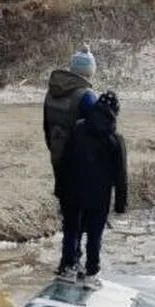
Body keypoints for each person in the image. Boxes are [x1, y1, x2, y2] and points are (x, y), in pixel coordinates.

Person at [56, 91, 128, 289]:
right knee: (95, 236)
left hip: (73, 191)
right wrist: (120, 205)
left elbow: (64, 162)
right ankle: (91, 273)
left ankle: (69, 268)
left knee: (72, 230)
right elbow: (120, 175)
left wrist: (60, 189)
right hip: (99, 196)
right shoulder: (115, 139)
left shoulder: (78, 129)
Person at [44, 44, 99, 203]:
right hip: (80, 160)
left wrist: (55, 148)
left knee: (64, 201)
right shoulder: (87, 97)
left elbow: (46, 126)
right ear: (90, 71)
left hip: (57, 151)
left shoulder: (52, 92)